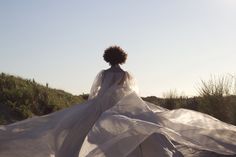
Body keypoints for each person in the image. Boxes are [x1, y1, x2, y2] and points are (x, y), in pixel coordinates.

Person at [0, 46, 236, 157]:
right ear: (121, 58)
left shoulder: (103, 74)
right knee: (136, 131)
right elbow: (131, 93)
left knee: (83, 132)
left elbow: (96, 94)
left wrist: (92, 106)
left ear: (107, 58)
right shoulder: (126, 74)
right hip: (122, 105)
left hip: (102, 105)